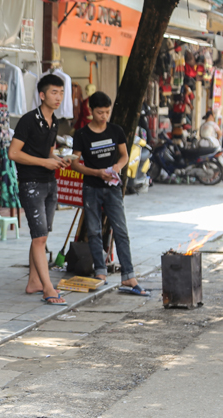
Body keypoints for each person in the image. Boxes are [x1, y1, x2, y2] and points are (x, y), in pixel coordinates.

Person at [70, 91, 149, 296]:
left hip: (113, 188)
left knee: (121, 230)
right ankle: (100, 271)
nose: (104, 116)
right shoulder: (81, 134)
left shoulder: (116, 131)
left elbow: (124, 156)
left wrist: (117, 167)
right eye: (100, 112)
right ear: (91, 111)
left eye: (107, 112)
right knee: (94, 231)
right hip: (91, 187)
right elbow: (75, 164)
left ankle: (128, 274)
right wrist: (96, 172)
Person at [8, 74, 71, 305]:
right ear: (42, 95)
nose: (58, 97)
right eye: (54, 92)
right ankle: (47, 288)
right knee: (40, 237)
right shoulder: (28, 120)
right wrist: (45, 162)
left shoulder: (54, 121)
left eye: (61, 93)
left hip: (49, 182)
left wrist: (58, 159)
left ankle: (34, 282)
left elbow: (48, 152)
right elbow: (13, 153)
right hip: (31, 183)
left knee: (40, 236)